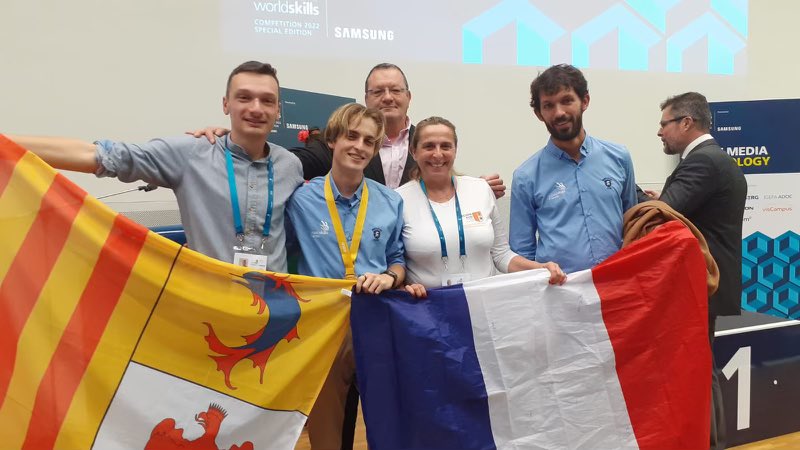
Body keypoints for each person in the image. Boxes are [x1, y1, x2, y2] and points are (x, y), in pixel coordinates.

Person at [8, 61, 302, 272]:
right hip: (211, 310)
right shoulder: (192, 153)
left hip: (273, 312)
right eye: (244, 97)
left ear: (278, 111)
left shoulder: (290, 166)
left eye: (267, 101)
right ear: (226, 104)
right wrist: (6, 143)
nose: (255, 108)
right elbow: (98, 156)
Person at [191, 62, 507, 198]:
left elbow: (440, 177)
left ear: (408, 97)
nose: (387, 97)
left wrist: (470, 189)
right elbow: (289, 159)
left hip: (414, 263)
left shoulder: (425, 143)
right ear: (366, 99)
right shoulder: (344, 143)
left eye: (395, 90)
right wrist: (239, 140)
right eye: (378, 91)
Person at [285, 103, 405, 449]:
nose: (359, 146)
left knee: (385, 424)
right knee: (326, 434)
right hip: (323, 328)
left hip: (375, 320)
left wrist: (390, 278)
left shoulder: (389, 202)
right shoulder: (301, 200)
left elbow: (398, 260)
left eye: (369, 141)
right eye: (352, 136)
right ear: (334, 140)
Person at [655, 92, 747, 450]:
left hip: (698, 283)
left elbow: (664, 214)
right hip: (708, 283)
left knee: (698, 370)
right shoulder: (717, 160)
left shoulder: (702, 162)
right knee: (699, 366)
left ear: (686, 123)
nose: (659, 132)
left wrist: (626, 194)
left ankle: (710, 443)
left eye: (664, 124)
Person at [396, 116, 566, 298]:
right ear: (414, 152)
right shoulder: (399, 200)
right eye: (429, 146)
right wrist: (402, 288)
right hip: (429, 310)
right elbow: (393, 262)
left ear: (455, 150)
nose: (438, 154)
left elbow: (501, 255)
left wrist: (540, 268)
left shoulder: (479, 189)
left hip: (483, 308)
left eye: (445, 146)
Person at [509, 64, 637, 274]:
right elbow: (522, 251)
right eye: (548, 105)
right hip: (560, 294)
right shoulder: (526, 176)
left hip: (618, 285)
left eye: (567, 101)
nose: (559, 113)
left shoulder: (619, 157)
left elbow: (633, 224)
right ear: (539, 113)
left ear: (584, 101)